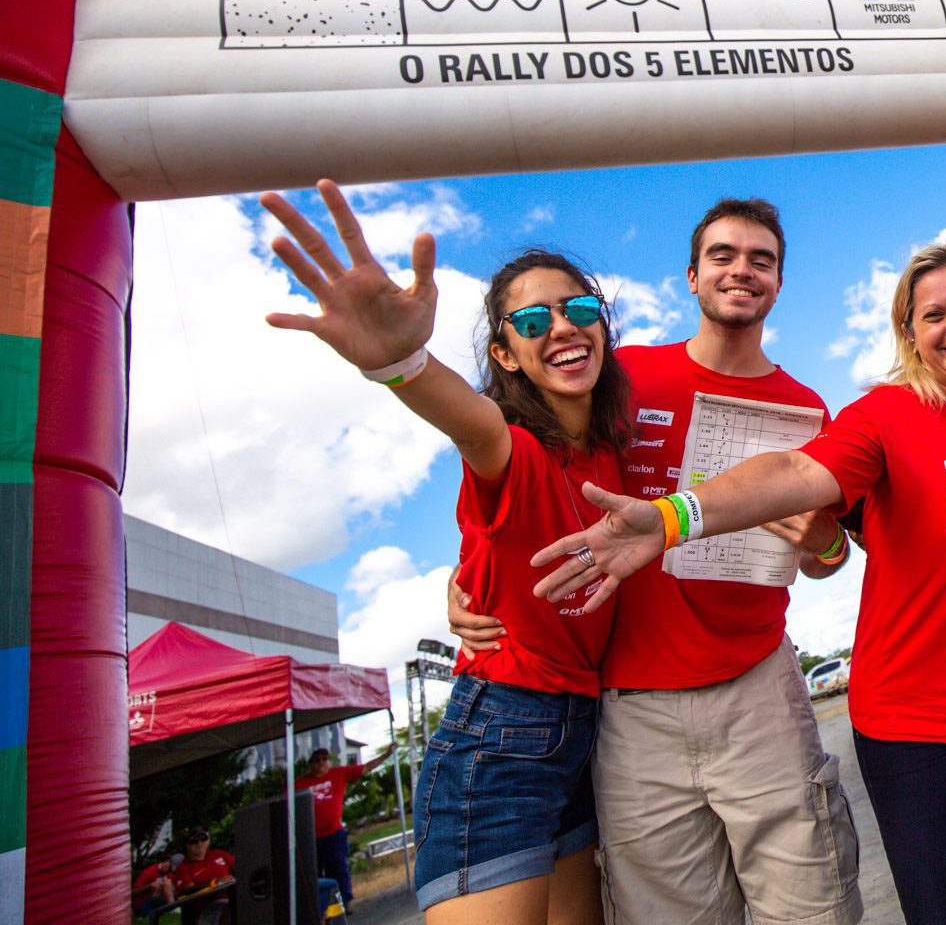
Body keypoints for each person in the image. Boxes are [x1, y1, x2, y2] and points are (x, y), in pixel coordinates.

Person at [528, 241, 946, 925]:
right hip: (913, 726)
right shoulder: (884, 417)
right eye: (933, 314)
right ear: (910, 333)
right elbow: (797, 474)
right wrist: (674, 517)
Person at [450, 198, 862, 925]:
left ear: (779, 282)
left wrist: (822, 538)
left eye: (761, 260)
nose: (741, 271)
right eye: (722, 256)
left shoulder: (805, 410)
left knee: (812, 907)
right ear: (691, 276)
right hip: (630, 708)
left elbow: (827, 560)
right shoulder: (619, 377)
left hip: (756, 688)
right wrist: (465, 579)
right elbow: (517, 469)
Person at [262, 180, 626, 924]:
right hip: (502, 739)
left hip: (585, 736)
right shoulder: (514, 450)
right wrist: (401, 362)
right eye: (533, 320)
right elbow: (472, 422)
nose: (563, 327)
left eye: (579, 309)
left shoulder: (611, 455)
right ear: (506, 354)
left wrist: (462, 579)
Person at [295, 742, 395, 912]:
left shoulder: (338, 774)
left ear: (329, 761)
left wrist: (386, 755)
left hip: (333, 833)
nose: (321, 763)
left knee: (338, 868)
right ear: (311, 764)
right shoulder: (300, 784)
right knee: (315, 874)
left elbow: (364, 768)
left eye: (324, 759)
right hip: (311, 837)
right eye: (317, 760)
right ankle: (321, 909)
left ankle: (344, 903)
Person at [170, 828, 236, 925]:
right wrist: (215, 883)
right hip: (207, 907)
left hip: (232, 899)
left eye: (203, 839)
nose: (199, 843)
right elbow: (187, 889)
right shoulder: (183, 868)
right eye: (194, 841)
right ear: (186, 845)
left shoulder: (218, 854)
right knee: (233, 912)